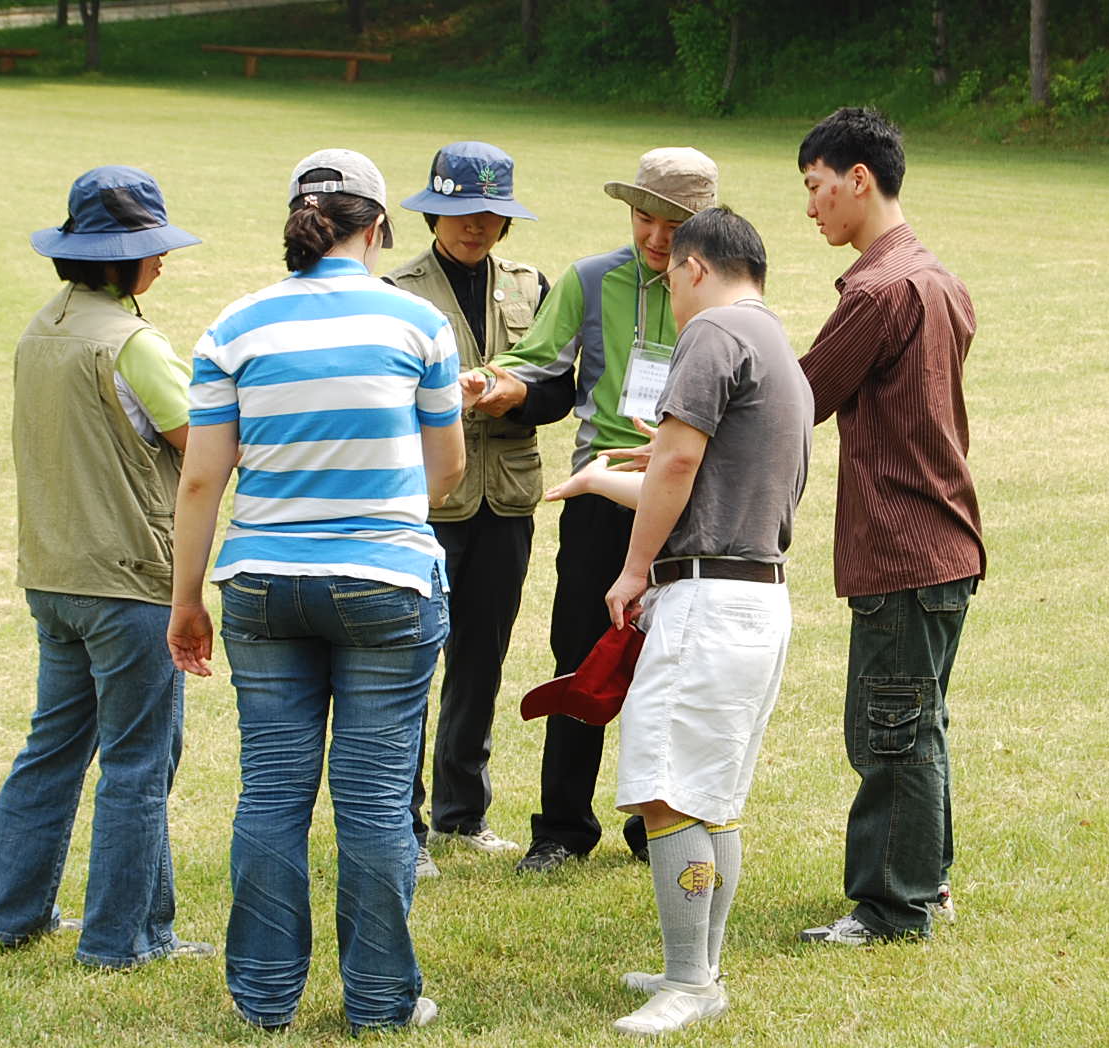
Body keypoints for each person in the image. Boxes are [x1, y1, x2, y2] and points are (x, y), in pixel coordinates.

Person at [167, 149, 466, 1031]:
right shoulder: (419, 324)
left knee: (271, 792)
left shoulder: (234, 326)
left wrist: (188, 599)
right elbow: (444, 469)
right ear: (378, 228)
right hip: (387, 585)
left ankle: (263, 1002)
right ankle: (380, 1002)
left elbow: (198, 482)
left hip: (259, 585)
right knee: (373, 800)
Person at [542, 206, 813, 1035]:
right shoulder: (779, 349)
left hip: (704, 597)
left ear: (696, 266)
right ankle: (698, 965)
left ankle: (691, 983)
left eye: (671, 280)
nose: (671, 297)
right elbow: (685, 469)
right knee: (713, 797)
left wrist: (630, 571)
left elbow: (681, 461)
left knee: (668, 794)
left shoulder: (713, 335)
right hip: (757, 595)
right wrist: (603, 478)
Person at [0, 164, 213, 969]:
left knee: (53, 748)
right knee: (141, 762)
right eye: (151, 248)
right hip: (129, 581)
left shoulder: (42, 329)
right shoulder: (132, 343)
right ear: (118, 260)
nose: (162, 261)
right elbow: (203, 446)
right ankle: (121, 942)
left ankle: (4, 917)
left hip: (53, 574)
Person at [467, 147, 719, 874]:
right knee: (579, 654)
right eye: (646, 219)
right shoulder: (587, 279)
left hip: (688, 496)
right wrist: (483, 383)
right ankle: (561, 831)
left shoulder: (719, 289)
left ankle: (660, 827)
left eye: (675, 225)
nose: (657, 239)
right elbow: (533, 359)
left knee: (674, 664)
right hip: (601, 493)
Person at [790, 107, 986, 946]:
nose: (811, 209)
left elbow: (798, 399)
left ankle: (892, 905)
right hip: (946, 543)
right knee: (918, 720)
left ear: (857, 178)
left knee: (889, 728)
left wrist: (693, 421)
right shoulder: (939, 278)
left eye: (816, 187)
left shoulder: (876, 291)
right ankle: (924, 882)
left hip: (903, 550)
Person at [383, 141, 571, 879]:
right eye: (461, 210)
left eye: (491, 212)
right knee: (409, 663)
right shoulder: (398, 291)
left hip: (508, 500)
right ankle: (404, 823)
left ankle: (463, 813)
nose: (476, 225)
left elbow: (560, 389)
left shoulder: (532, 286)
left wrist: (518, 392)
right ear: (434, 210)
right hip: (428, 499)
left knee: (481, 662)